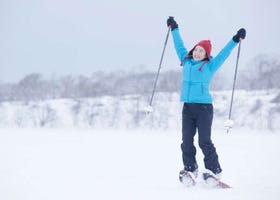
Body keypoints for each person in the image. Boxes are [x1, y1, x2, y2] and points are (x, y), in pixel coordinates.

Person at [166, 17, 246, 182]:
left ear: (206, 54)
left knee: (204, 141)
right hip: (188, 108)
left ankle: (214, 170)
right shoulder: (186, 60)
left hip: (204, 109)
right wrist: (174, 28)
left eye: (201, 51)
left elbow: (224, 53)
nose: (197, 52)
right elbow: (179, 45)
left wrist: (235, 39)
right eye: (196, 49)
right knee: (186, 141)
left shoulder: (210, 65)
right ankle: (190, 169)